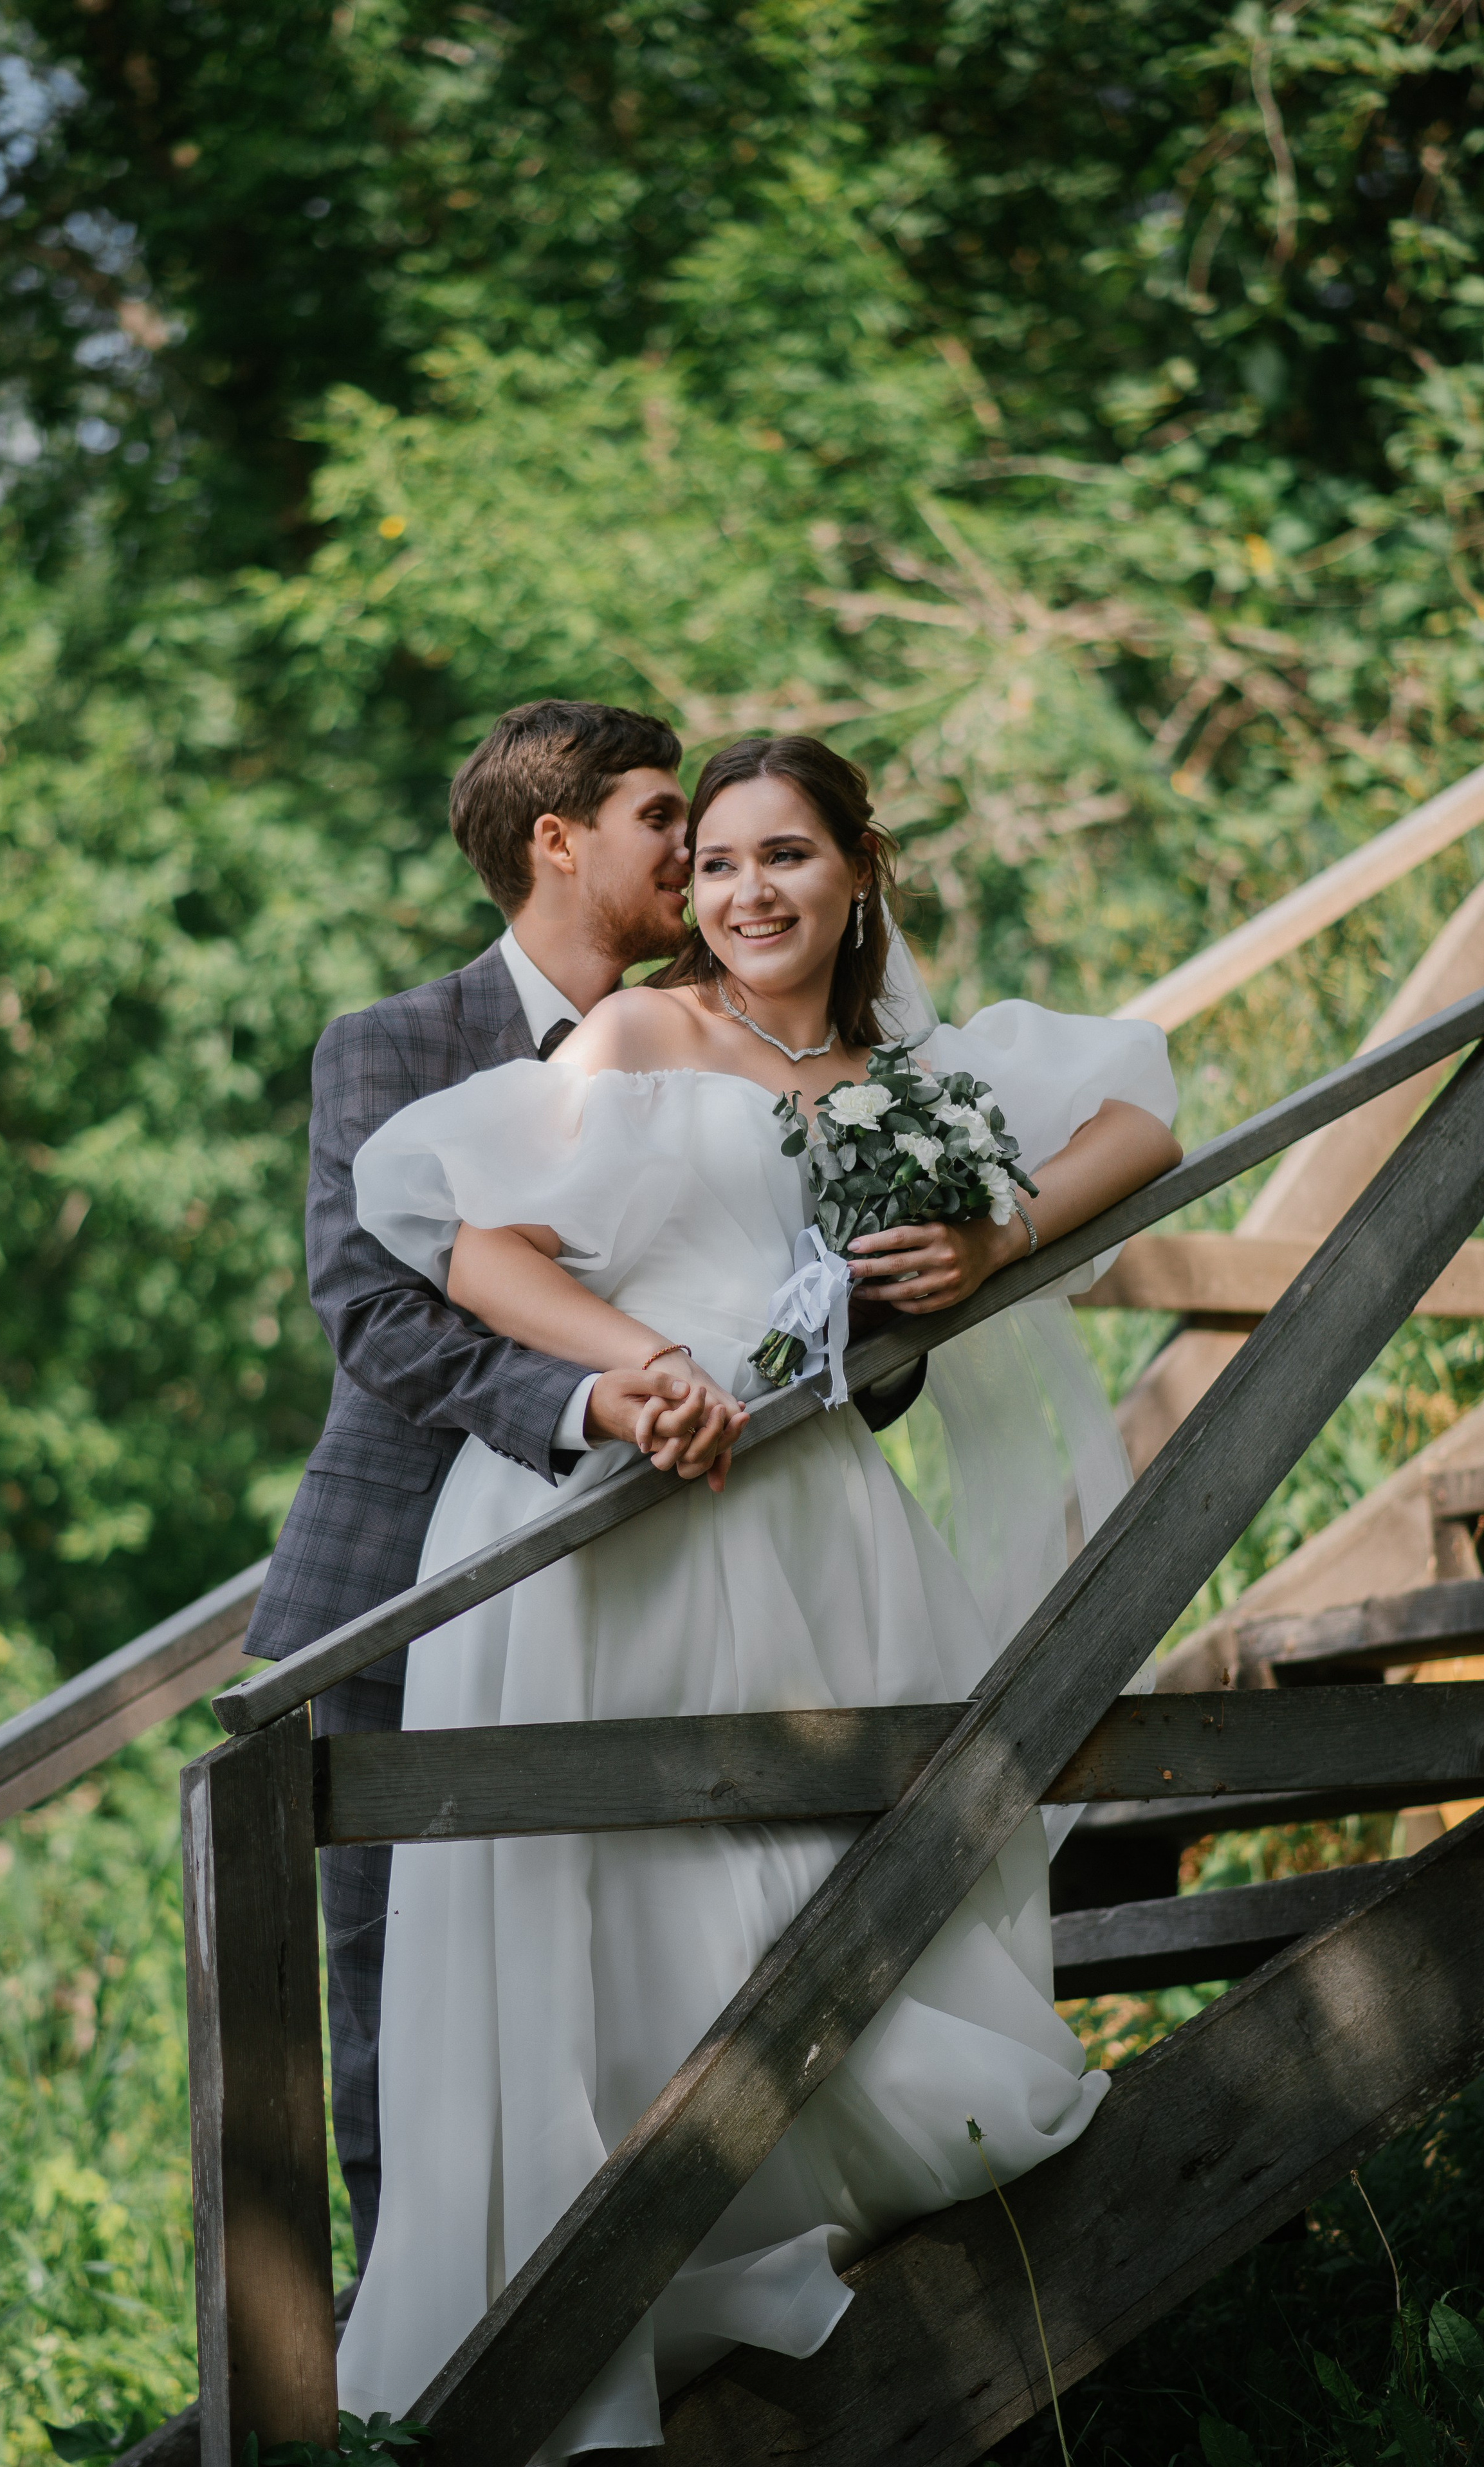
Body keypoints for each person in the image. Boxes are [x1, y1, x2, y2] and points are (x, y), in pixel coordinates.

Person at [334, 733, 1182, 2453]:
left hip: (806, 1513)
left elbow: (1141, 1114)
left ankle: (765, 2222)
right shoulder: (644, 1033)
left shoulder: (904, 1074)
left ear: (858, 866)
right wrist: (639, 1364)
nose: (744, 892)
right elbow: (460, 1231)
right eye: (713, 864)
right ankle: (585, 2303)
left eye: (784, 855)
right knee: (617, 1893)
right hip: (622, 1504)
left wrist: (997, 1243)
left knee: (811, 1880)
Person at [244, 701, 925, 2271]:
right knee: (384, 1991)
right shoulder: (392, 1043)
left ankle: (659, 2273)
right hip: (400, 1582)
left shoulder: (739, 1027)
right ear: (555, 842)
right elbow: (375, 1307)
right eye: (655, 814)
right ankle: (409, 2343)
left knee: (644, 1956)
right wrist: (592, 1397)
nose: (694, 847)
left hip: (671, 1590)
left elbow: (820, 1302)